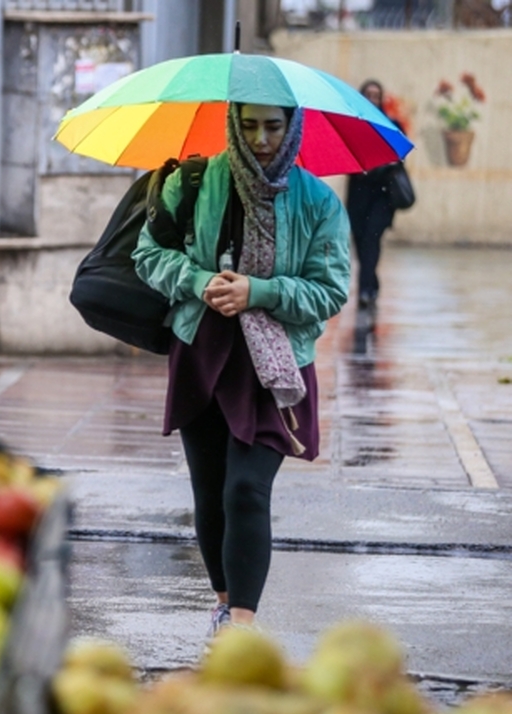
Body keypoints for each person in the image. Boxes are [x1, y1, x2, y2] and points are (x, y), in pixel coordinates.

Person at [132, 103, 351, 636]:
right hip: (203, 350)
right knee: (209, 490)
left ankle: (243, 625)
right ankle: (225, 605)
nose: (260, 139)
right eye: (248, 125)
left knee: (246, 489)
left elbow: (330, 290)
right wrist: (196, 279)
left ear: (292, 126)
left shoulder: (318, 201)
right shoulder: (194, 181)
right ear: (233, 124)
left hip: (274, 365)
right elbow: (147, 254)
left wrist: (260, 291)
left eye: (273, 126)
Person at [346, 79, 403, 311]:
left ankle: (365, 291)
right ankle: (371, 282)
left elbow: (399, 157)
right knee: (361, 244)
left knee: (372, 240)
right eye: (368, 95)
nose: (372, 99)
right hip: (358, 197)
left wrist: (378, 166)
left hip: (382, 197)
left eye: (376, 95)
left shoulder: (391, 125)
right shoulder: (353, 126)